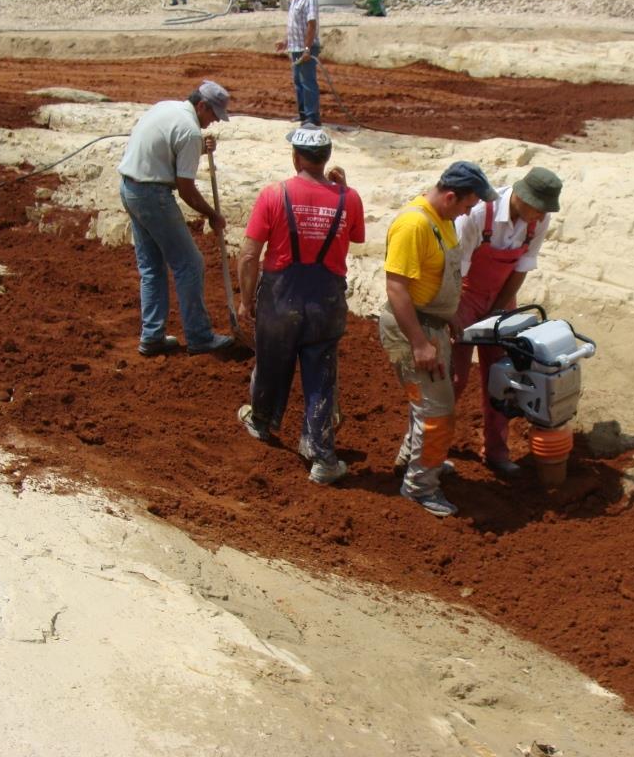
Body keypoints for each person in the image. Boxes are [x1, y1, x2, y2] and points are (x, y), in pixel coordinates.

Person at [235, 125, 365, 484]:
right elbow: (355, 235)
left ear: (295, 158)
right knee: (321, 375)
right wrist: (343, 187)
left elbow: (248, 255)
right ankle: (322, 457)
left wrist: (247, 301)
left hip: (280, 297)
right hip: (325, 301)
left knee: (271, 362)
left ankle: (261, 421)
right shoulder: (348, 198)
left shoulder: (273, 195)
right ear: (327, 159)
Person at [380, 161, 497, 517]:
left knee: (429, 405)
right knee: (437, 410)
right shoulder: (414, 224)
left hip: (433, 326)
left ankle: (417, 462)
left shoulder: (443, 220)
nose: (469, 212)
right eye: (467, 206)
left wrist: (450, 318)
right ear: (450, 196)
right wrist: (418, 342)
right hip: (412, 328)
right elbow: (396, 287)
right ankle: (419, 487)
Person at [451, 167, 563, 477]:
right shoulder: (478, 214)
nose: (540, 217)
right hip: (463, 296)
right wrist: (455, 317)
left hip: (501, 298)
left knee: (502, 378)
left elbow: (522, 267)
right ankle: (429, 448)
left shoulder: (537, 220)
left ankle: (497, 451)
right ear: (521, 197)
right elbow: (456, 270)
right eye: (537, 209)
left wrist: (498, 312)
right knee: (455, 378)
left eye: (544, 211)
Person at [118, 80, 235, 357]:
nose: (213, 122)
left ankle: (152, 336)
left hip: (130, 187)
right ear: (202, 105)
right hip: (152, 195)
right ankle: (200, 336)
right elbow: (185, 189)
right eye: (212, 115)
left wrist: (200, 148)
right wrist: (212, 214)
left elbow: (170, 146)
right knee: (190, 264)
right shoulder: (190, 131)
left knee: (152, 267)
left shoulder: (167, 107)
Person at [275, 0, 321, 126]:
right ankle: (303, 115)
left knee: (307, 82)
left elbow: (311, 25)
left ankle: (312, 117)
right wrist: (286, 41)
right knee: (298, 82)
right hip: (295, 48)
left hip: (305, 48)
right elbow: (295, 25)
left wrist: (307, 49)